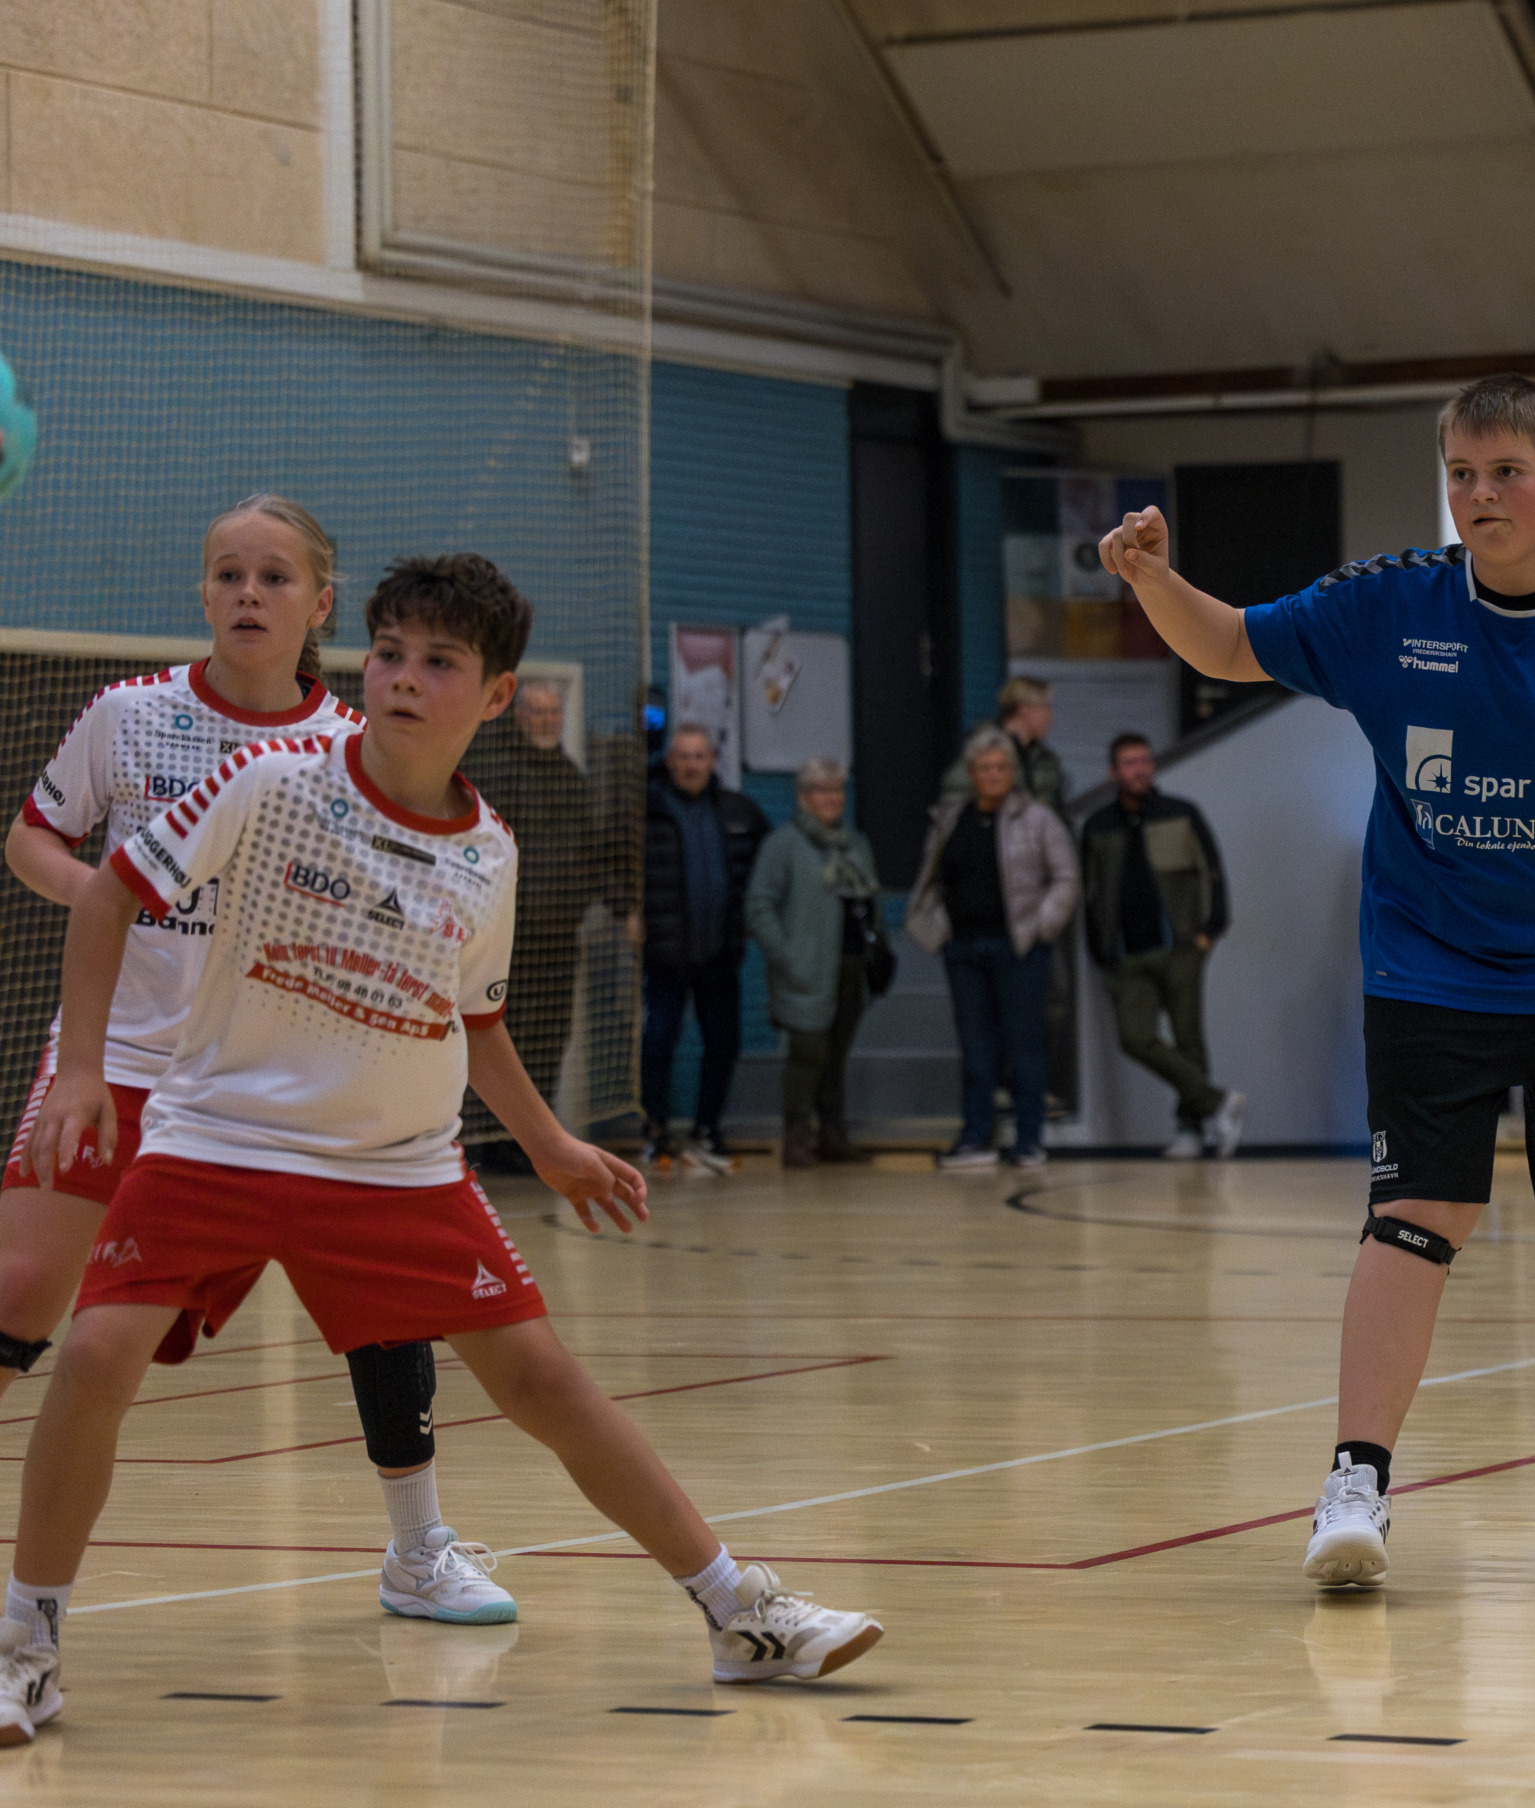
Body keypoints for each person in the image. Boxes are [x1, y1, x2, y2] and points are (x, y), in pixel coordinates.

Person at [0, 554, 881, 1744]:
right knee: (96, 1352)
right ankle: (26, 1643)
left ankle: (741, 1612)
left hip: (392, 1165)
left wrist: (551, 1141)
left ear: (497, 693)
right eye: (391, 654)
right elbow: (108, 895)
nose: (407, 678)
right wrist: (84, 1070)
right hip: (219, 1134)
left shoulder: (488, 853)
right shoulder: (267, 779)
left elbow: (475, 1021)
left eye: (441, 661)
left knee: (545, 1380)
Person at [1099, 372, 1535, 1588]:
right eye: (1464, 473)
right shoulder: (1390, 602)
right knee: (1417, 1212)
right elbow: (1227, 642)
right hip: (1430, 963)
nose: (1482, 494)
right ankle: (1356, 1484)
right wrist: (1153, 580)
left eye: (1507, 473)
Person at [2, 496, 509, 1629]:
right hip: (125, 1050)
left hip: (281, 1072)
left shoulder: (356, 746)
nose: (247, 593)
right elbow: (32, 834)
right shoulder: (130, 713)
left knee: (384, 1301)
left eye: (274, 577)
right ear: (202, 591)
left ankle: (419, 1545)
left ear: (320, 605)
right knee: (24, 1290)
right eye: (228, 573)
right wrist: (109, 893)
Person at [908, 726, 1077, 1171]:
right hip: (964, 949)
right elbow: (931, 877)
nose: (994, 774)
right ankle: (976, 1138)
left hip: (1019, 949)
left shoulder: (1037, 818)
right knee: (976, 1049)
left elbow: (1065, 876)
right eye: (985, 768)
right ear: (971, 773)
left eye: (1001, 767)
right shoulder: (950, 817)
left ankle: (1028, 1140)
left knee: (1024, 1046)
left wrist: (1043, 925)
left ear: (1013, 771)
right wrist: (933, 927)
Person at [1078, 733, 1245, 1160]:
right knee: (1135, 1038)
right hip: (1126, 954)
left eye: (1145, 761)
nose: (1139, 769)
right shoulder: (1098, 826)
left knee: (1189, 1039)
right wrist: (1099, 949)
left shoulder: (1181, 813)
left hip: (1181, 948)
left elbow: (1213, 873)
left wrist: (1210, 930)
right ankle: (1216, 1103)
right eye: (1129, 763)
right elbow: (1090, 892)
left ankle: (1191, 1130)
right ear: (1113, 772)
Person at [460, 678, 590, 1178]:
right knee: (494, 1037)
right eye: (537, 711)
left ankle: (532, 1143)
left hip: (559, 936)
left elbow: (592, 851)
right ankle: (485, 1139)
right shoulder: (495, 769)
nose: (546, 721)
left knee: (549, 1039)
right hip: (504, 936)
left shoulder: (572, 778)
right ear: (517, 715)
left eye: (553, 712)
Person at [637, 724, 767, 1174]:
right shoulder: (645, 809)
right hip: (664, 955)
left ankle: (708, 1129)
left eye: (699, 756)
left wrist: (753, 916)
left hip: (720, 954)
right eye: (683, 756)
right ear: (669, 761)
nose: (691, 765)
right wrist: (626, 910)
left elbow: (764, 870)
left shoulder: (740, 811)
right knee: (657, 1043)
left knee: (723, 1043)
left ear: (713, 761)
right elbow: (615, 861)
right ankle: (655, 1132)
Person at [744, 758, 882, 1170]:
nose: (830, 798)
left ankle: (833, 1134)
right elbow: (759, 905)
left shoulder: (855, 844)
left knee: (836, 1053)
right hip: (805, 968)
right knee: (808, 1052)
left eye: (836, 789)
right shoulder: (783, 845)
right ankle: (797, 1136)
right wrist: (786, 955)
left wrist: (879, 949)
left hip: (850, 963)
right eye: (821, 790)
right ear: (803, 797)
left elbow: (868, 897)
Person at [940, 675, 1068, 820]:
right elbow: (953, 799)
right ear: (1025, 709)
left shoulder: (1045, 759)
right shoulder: (984, 750)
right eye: (1046, 707)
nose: (1051, 716)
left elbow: (1057, 812)